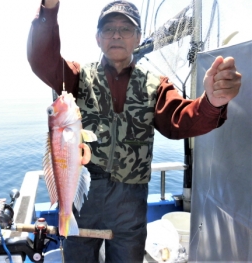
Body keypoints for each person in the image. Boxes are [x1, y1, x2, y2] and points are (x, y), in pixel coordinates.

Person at [27, 1, 241, 262]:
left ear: (138, 37)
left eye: (126, 29)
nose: (116, 35)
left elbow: (180, 121)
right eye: (108, 29)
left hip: (130, 205)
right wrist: (49, 8)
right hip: (83, 199)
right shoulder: (76, 77)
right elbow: (42, 59)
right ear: (97, 38)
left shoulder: (156, 85)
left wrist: (212, 102)